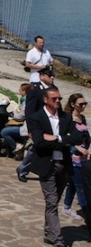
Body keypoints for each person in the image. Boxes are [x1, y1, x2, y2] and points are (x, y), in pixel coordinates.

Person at [27, 86, 79, 246]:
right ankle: (58, 239)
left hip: (64, 164)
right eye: (54, 98)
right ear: (45, 99)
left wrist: (57, 138)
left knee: (54, 202)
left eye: (59, 98)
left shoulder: (66, 117)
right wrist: (64, 140)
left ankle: (49, 232)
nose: (57, 101)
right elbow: (39, 143)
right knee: (51, 201)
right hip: (47, 165)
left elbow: (77, 138)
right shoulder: (36, 118)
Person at [61, 93, 89, 222]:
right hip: (73, 158)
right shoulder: (68, 119)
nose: (83, 106)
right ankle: (88, 214)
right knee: (81, 187)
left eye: (85, 104)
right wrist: (78, 148)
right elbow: (67, 139)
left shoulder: (82, 118)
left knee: (73, 183)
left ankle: (66, 207)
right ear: (73, 104)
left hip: (83, 157)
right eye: (81, 104)